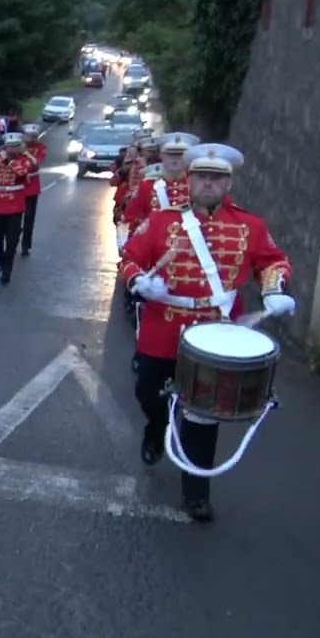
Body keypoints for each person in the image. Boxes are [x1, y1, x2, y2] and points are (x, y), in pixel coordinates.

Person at [119, 143, 295, 522]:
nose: (208, 184)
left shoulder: (250, 225)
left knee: (203, 413)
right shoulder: (163, 221)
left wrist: (274, 288)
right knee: (148, 390)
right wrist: (140, 282)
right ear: (190, 179)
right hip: (163, 325)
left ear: (229, 183)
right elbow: (130, 256)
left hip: (217, 330)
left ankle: (196, 492)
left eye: (217, 178)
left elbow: (273, 262)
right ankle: (156, 427)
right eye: (201, 176)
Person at [122, 132, 200, 236]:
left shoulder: (198, 186)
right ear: (161, 155)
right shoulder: (147, 185)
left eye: (181, 154)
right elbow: (129, 219)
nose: (175, 159)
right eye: (170, 154)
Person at [0, 133, 33, 284]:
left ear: (19, 147)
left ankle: (7, 271)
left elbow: (22, 173)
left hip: (15, 205)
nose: (10, 149)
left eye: (14, 146)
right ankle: (0, 259)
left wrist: (7, 160)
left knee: (12, 240)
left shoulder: (24, 160)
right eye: (8, 146)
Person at [18, 124, 48, 256]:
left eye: (33, 136)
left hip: (32, 187)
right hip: (18, 187)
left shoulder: (40, 148)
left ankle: (26, 245)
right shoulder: (18, 148)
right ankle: (14, 236)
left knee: (29, 218)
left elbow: (36, 163)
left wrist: (25, 154)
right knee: (15, 218)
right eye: (29, 136)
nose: (31, 139)